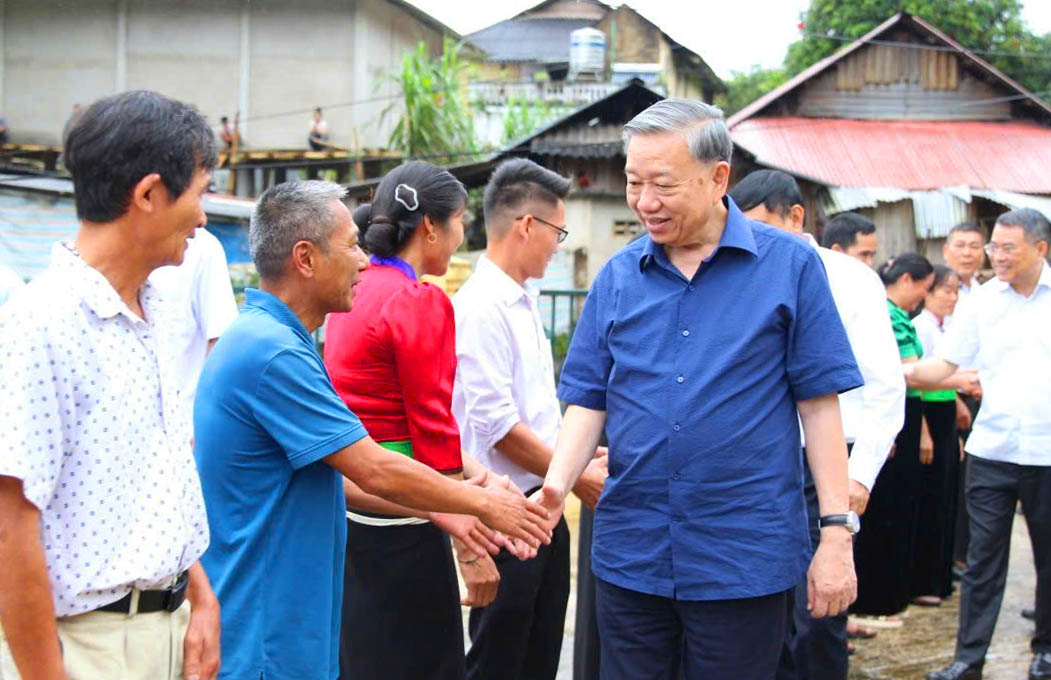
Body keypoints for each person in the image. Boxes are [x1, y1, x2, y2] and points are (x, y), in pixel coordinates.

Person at [534, 99, 863, 680]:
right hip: (633, 549)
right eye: (634, 183)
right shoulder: (618, 276)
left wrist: (835, 533)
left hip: (743, 551)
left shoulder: (788, 267)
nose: (644, 202)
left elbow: (818, 405)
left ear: (718, 178)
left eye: (663, 184)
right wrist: (556, 487)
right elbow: (588, 399)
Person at [193, 179, 551, 680]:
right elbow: (374, 465)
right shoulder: (272, 352)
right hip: (266, 635)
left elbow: (341, 478)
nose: (364, 260)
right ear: (305, 258)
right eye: (351, 246)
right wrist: (482, 503)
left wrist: (457, 499)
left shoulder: (281, 340)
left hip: (291, 623)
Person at [0, 90, 222, 680]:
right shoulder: (40, 323)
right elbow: (8, 527)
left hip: (166, 629)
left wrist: (200, 597)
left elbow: (159, 483)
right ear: (149, 194)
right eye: (199, 192)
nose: (203, 217)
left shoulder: (156, 310)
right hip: (86, 648)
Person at [323, 162, 533, 680]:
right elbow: (432, 423)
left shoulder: (358, 287)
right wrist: (469, 539)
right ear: (431, 227)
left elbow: (390, 415)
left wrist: (480, 476)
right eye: (460, 221)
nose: (464, 235)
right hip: (407, 520)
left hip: (353, 512)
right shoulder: (418, 301)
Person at [730, 169, 906, 680]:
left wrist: (860, 476)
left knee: (818, 611)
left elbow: (885, 384)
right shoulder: (739, 274)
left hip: (822, 468)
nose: (753, 239)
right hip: (757, 467)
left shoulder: (848, 277)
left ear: (796, 216)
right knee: (759, 611)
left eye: (763, 225)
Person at [453, 158, 609, 680]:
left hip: (541, 507)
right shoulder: (481, 306)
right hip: (505, 513)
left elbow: (540, 414)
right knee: (499, 660)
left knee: (537, 657)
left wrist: (574, 459)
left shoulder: (523, 300)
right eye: (557, 231)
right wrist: (575, 473)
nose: (558, 244)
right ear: (526, 225)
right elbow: (499, 427)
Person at [915, 208, 1051, 680]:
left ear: (1041, 249)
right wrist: (896, 373)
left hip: (1047, 453)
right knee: (982, 562)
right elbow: (945, 363)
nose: (997, 256)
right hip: (992, 451)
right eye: (995, 246)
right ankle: (968, 659)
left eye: (1007, 248)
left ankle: (1046, 650)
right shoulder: (983, 301)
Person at [850, 254, 934, 625]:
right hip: (870, 422)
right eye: (924, 287)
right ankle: (871, 602)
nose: (925, 296)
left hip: (899, 417)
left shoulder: (898, 314)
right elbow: (898, 375)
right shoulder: (879, 309)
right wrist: (958, 377)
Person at [911, 265, 971, 607]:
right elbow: (921, 382)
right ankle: (927, 579)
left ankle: (943, 573)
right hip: (928, 414)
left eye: (954, 291)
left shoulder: (946, 327)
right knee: (932, 499)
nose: (951, 297)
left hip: (946, 413)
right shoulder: (921, 327)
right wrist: (925, 431)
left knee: (948, 498)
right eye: (943, 290)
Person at [148, 228, 238, 423]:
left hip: (182, 428)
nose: (201, 218)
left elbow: (220, 343)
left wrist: (202, 426)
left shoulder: (201, 247)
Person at [941, 222, 986, 577]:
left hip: (982, 396)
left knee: (977, 481)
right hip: (948, 394)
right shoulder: (937, 289)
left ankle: (967, 554)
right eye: (961, 245)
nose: (968, 253)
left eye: (975, 246)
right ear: (946, 250)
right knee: (954, 479)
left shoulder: (989, 295)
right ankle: (953, 556)